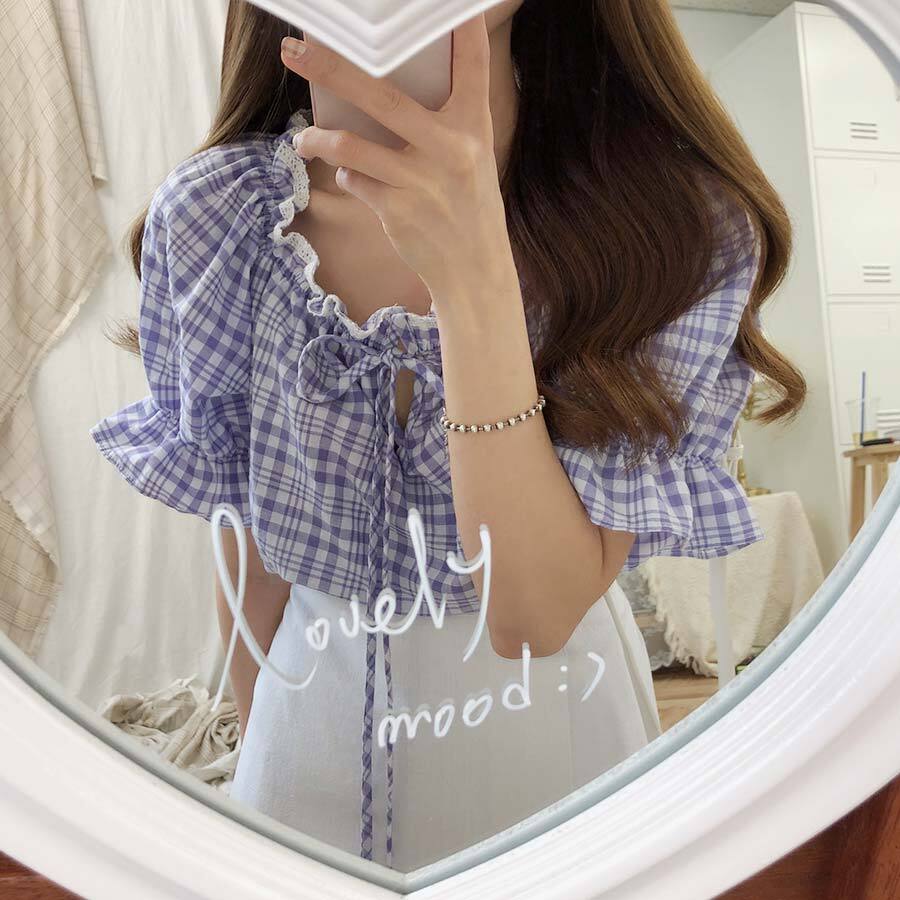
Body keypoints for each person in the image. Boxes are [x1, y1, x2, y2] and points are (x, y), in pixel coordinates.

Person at [90, 0, 805, 872]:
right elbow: (248, 538)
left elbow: (533, 619)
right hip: (304, 718)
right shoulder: (216, 214)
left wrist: (471, 275)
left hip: (555, 725)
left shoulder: (666, 226)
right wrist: (255, 740)